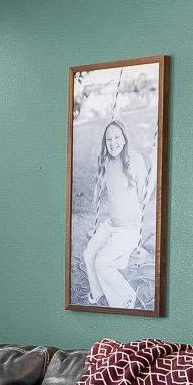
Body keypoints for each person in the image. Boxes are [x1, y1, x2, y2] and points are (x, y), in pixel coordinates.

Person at [80, 117, 154, 308]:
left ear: (124, 137)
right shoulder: (106, 163)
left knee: (102, 263)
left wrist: (154, 164)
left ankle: (127, 298)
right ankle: (97, 293)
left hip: (129, 229)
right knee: (89, 255)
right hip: (110, 225)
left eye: (117, 137)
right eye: (109, 139)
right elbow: (101, 190)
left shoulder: (135, 159)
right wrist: (98, 182)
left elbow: (145, 195)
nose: (113, 142)